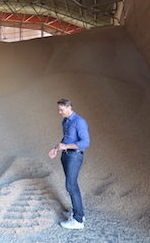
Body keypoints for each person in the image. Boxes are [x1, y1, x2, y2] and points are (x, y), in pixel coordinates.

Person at [48, 98, 90, 229]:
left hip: (74, 156)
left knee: (71, 186)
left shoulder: (80, 122)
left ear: (69, 107)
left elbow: (85, 142)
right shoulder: (65, 121)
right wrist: (56, 148)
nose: (59, 112)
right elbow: (66, 138)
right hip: (66, 155)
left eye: (61, 109)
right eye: (58, 110)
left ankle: (78, 221)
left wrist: (66, 146)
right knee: (72, 185)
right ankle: (79, 213)